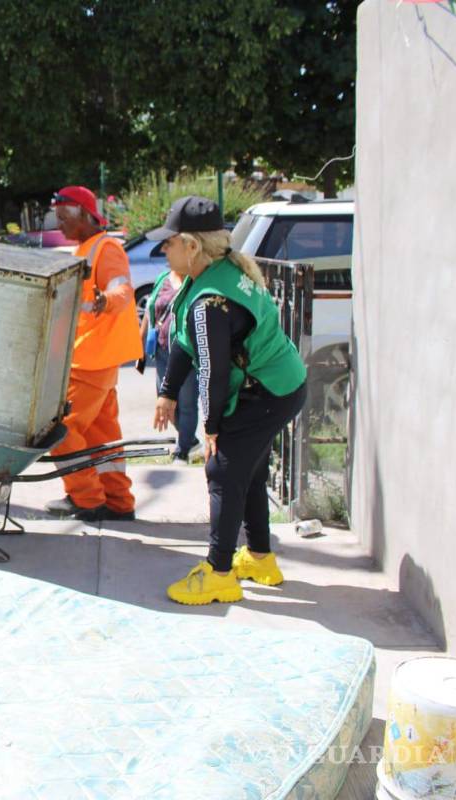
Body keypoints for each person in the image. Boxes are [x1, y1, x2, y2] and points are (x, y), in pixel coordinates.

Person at [149, 196, 307, 604]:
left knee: (222, 471)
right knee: (248, 472)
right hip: (281, 386)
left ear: (192, 246)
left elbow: (215, 372)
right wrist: (168, 393)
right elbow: (185, 345)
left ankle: (219, 574)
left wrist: (211, 427)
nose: (163, 250)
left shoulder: (209, 303)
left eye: (169, 243)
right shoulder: (212, 278)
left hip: (268, 391)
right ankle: (259, 558)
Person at [45, 186, 144, 522]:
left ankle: (87, 499)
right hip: (95, 358)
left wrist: (108, 300)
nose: (59, 225)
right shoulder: (85, 250)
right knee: (102, 436)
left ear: (87, 215)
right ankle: (118, 501)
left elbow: (122, 287)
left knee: (60, 429)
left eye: (64, 217)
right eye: (57, 218)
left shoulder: (106, 248)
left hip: (90, 360)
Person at [139, 267, 200, 463]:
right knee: (165, 403)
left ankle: (182, 451)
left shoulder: (194, 280)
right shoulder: (163, 278)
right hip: (162, 350)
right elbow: (150, 313)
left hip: (186, 354)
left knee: (187, 404)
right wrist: (139, 348)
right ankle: (190, 439)